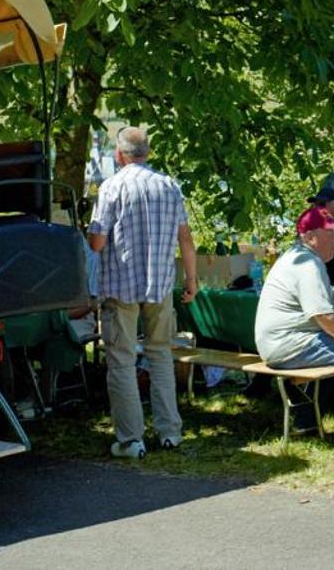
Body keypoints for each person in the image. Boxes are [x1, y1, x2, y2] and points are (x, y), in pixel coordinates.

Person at [87, 126, 198, 458]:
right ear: (147, 152)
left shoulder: (111, 187)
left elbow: (97, 242)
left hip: (120, 286)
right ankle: (169, 432)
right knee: (161, 353)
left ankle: (130, 439)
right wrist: (191, 279)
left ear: (119, 155)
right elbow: (186, 239)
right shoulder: (169, 186)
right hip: (160, 285)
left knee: (121, 361)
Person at [255, 204, 334, 453]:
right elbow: (323, 316)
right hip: (289, 345)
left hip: (277, 344)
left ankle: (306, 421)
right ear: (309, 237)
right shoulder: (308, 264)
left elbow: (327, 306)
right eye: (328, 235)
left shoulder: (294, 257)